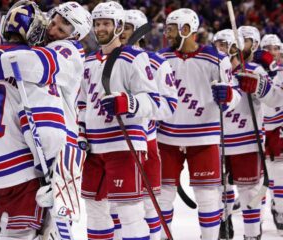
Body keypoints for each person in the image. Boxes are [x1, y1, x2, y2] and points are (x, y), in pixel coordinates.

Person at [0, 0, 92, 237]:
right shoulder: (33, 46)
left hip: (61, 151)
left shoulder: (69, 51)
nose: (53, 30)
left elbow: (37, 63)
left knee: (55, 232)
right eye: (54, 21)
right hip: (37, 148)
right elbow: (6, 43)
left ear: (73, 36)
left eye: (61, 29)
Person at [78, 2, 162, 240]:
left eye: (106, 23)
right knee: (95, 210)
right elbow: (83, 104)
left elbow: (153, 101)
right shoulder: (88, 62)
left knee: (130, 212)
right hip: (94, 149)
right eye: (97, 23)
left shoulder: (135, 57)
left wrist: (129, 103)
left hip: (124, 147)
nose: (101, 28)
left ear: (118, 26)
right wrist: (82, 131)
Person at [157, 8, 241, 240]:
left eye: (171, 29)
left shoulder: (216, 59)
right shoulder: (160, 58)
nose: (167, 33)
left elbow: (236, 96)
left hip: (204, 137)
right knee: (163, 194)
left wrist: (228, 96)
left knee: (207, 196)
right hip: (167, 137)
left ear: (186, 30)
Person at [109, 9, 178, 240]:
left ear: (138, 32)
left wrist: (134, 106)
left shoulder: (156, 63)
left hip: (144, 143)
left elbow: (169, 106)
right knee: (114, 207)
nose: (121, 32)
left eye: (126, 28)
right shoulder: (102, 60)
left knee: (149, 207)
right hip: (110, 144)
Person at [213, 28, 274, 240]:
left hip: (246, 141)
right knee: (218, 191)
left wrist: (259, 86)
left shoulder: (255, 69)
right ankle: (223, 224)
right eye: (218, 44)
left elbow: (274, 99)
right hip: (217, 141)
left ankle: (251, 235)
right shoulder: (212, 70)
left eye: (226, 44)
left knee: (249, 192)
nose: (221, 48)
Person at [259, 33, 283, 235]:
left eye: (276, 48)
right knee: (260, 176)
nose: (272, 52)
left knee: (279, 173)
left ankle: (279, 207)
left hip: (278, 128)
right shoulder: (256, 69)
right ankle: (257, 214)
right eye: (268, 49)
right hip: (256, 127)